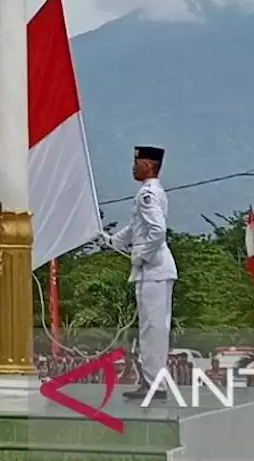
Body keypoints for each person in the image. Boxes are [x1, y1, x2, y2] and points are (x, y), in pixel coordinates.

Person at [106, 146, 176, 400]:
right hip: (152, 270)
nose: (133, 167)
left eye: (137, 162)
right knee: (150, 329)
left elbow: (158, 230)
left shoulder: (148, 194)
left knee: (153, 329)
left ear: (149, 164)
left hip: (154, 269)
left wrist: (141, 255)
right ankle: (151, 381)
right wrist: (114, 241)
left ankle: (154, 383)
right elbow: (137, 226)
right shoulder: (148, 193)